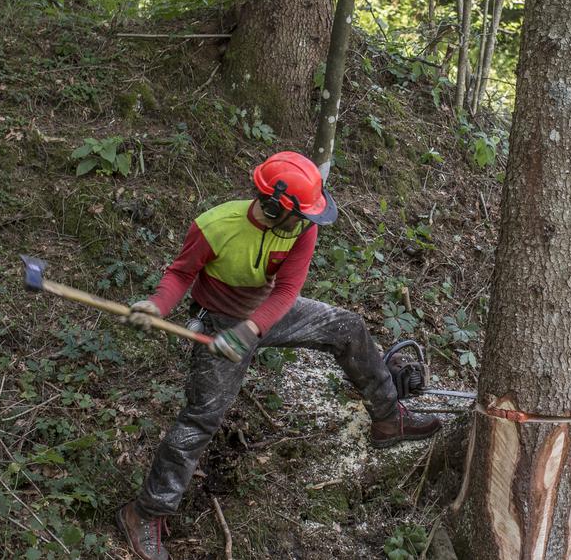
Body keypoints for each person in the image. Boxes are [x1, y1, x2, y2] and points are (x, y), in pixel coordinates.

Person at [115, 151, 441, 560]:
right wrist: (156, 307)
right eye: (302, 216)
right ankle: (145, 512)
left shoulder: (301, 227)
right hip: (217, 318)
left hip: (269, 309)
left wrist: (251, 329)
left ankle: (388, 419)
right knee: (201, 418)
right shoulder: (215, 226)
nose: (308, 223)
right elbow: (181, 273)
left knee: (348, 327)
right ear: (273, 207)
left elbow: (287, 290)